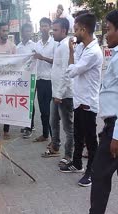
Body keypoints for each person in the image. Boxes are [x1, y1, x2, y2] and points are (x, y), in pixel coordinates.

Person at [59, 14, 103, 187]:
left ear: (84, 29)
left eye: (76, 29)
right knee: (78, 135)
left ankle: (91, 172)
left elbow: (72, 71)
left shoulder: (93, 52)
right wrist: (71, 51)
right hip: (78, 100)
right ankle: (77, 163)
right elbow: (73, 65)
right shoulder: (81, 48)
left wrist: (71, 60)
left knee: (91, 141)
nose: (74, 32)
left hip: (88, 102)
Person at [89, 10, 118, 214]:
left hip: (115, 130)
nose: (105, 34)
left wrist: (116, 135)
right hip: (111, 127)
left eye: (108, 29)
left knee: (99, 175)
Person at [41, 18, 74, 168]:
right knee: (53, 121)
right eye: (52, 29)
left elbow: (66, 72)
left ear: (64, 31)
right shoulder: (59, 45)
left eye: (55, 30)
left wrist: (59, 94)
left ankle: (69, 155)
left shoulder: (66, 46)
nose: (52, 32)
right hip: (57, 93)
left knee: (68, 126)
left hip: (64, 95)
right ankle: (55, 146)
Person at [33, 18, 55, 142]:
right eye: (41, 26)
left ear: (50, 27)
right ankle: (45, 134)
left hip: (50, 80)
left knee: (50, 111)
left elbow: (56, 61)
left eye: (46, 26)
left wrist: (42, 58)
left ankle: (53, 138)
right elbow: (33, 59)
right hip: (39, 80)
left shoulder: (54, 43)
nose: (43, 28)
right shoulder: (38, 44)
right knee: (42, 109)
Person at [16, 23, 36, 139]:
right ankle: (25, 123)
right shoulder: (18, 48)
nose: (28, 33)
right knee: (22, 102)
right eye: (26, 31)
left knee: (31, 102)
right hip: (21, 79)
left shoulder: (34, 46)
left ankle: (30, 127)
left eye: (30, 31)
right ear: (22, 32)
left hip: (32, 78)